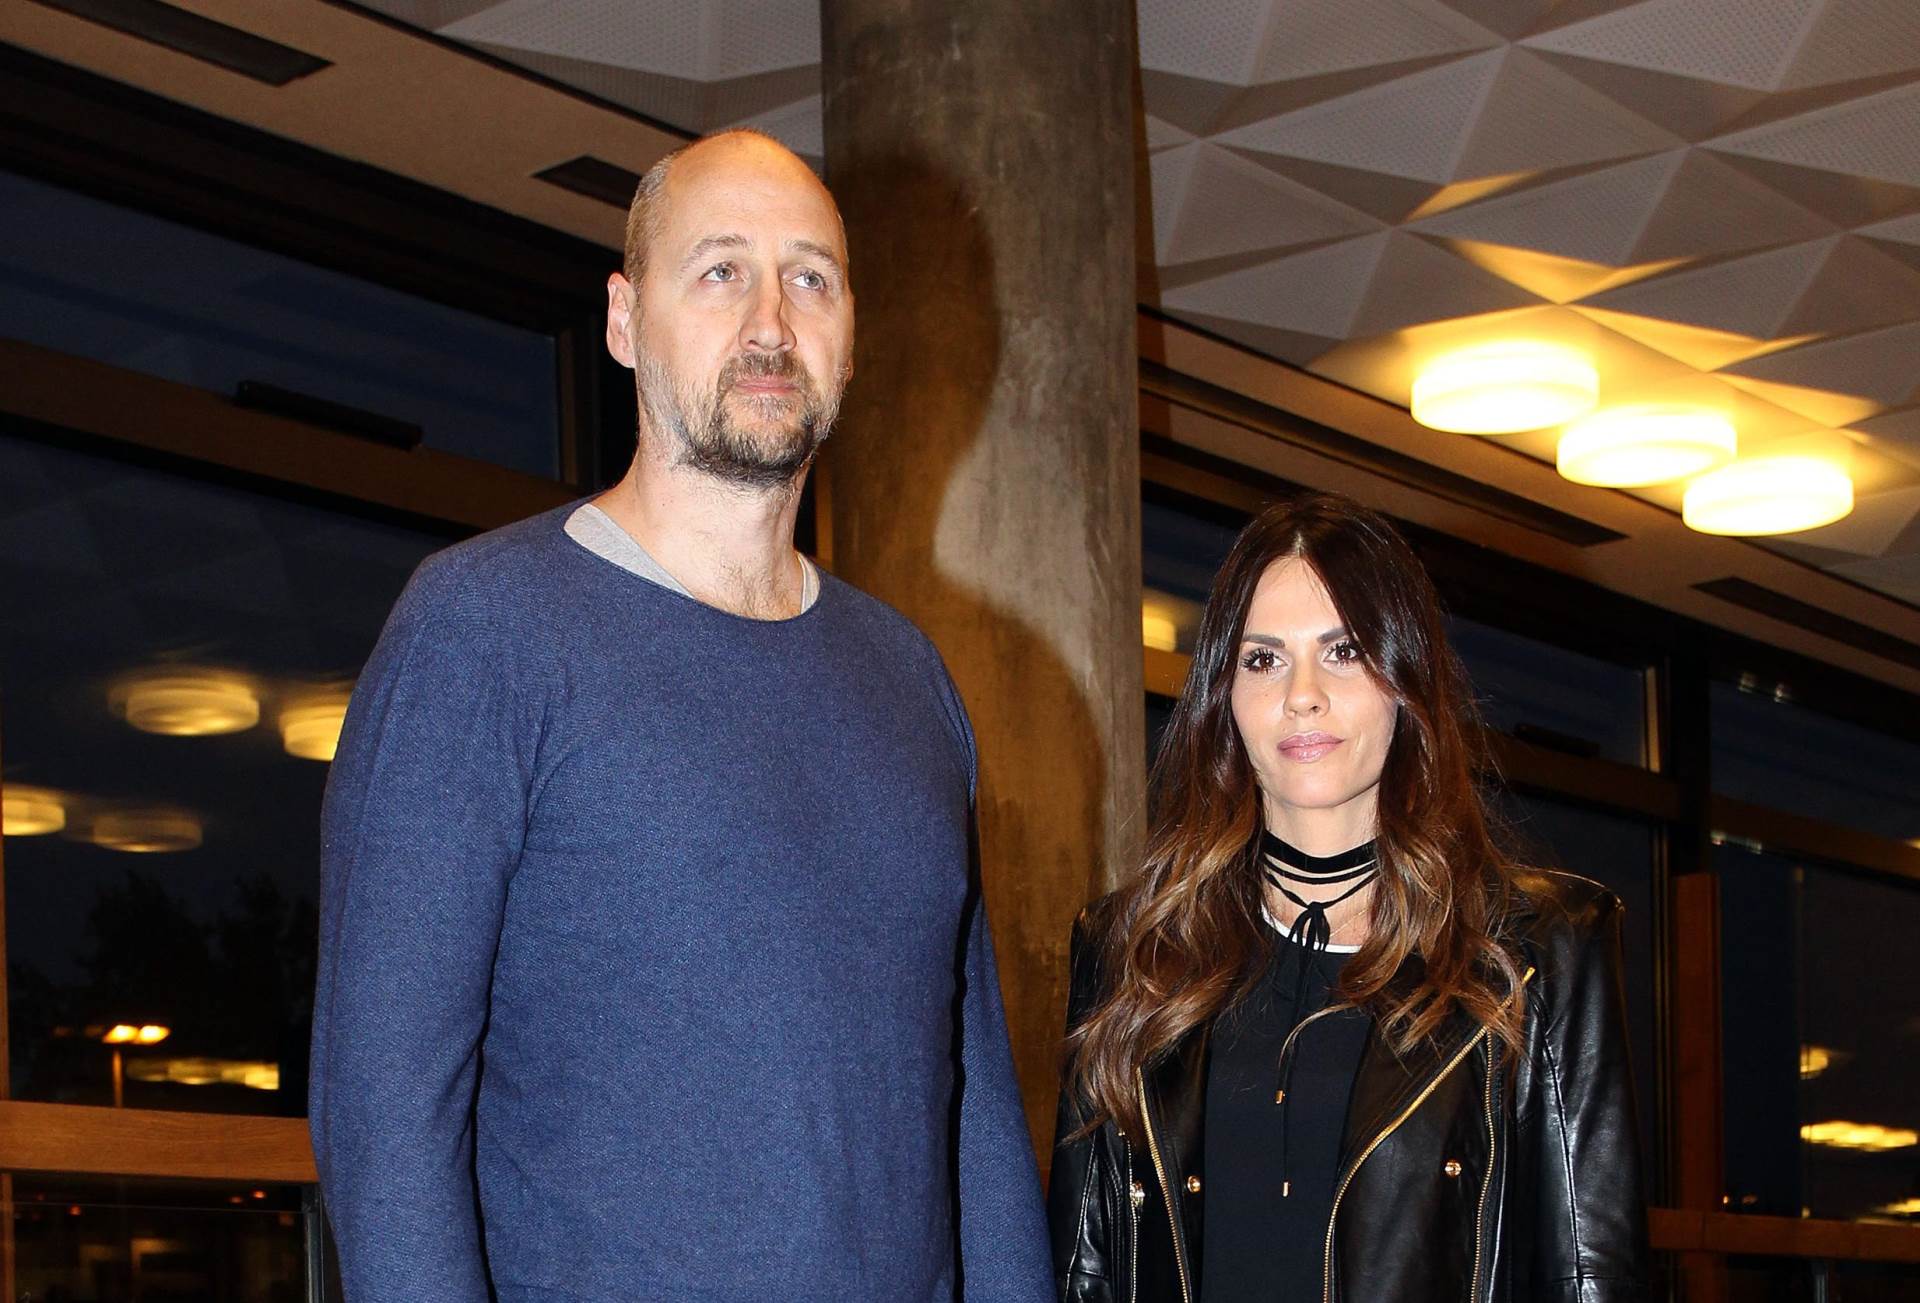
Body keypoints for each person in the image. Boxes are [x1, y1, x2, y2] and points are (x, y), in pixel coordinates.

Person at [310, 129, 1052, 1303]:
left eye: (810, 278)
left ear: (853, 334)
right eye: (720, 271)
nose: (771, 322)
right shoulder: (481, 629)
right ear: (622, 319)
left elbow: (976, 1113)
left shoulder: (909, 678)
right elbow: (385, 1112)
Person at [1046, 493, 1648, 1303]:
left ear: (1405, 679)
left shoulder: (1540, 950)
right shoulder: (1132, 951)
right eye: (1263, 660)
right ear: (1225, 694)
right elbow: (1079, 1272)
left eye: (1344, 651)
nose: (1302, 693)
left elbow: (1591, 1277)